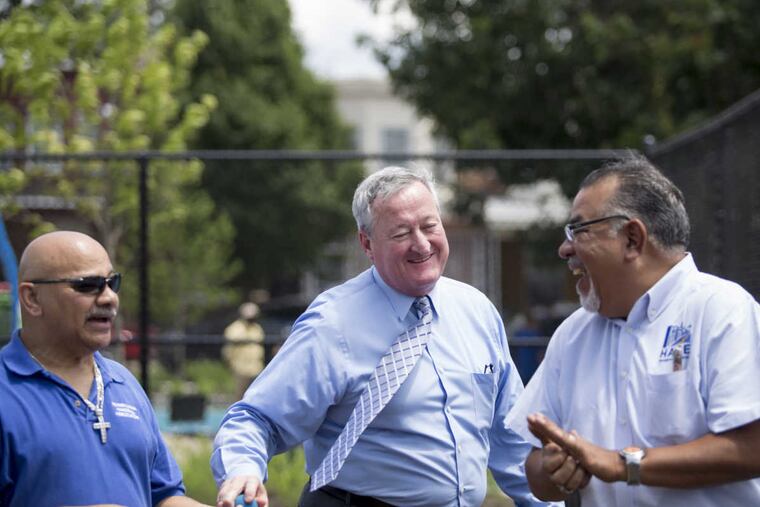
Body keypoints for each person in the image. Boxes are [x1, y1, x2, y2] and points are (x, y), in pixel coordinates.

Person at [212, 166, 554, 507]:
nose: (421, 244)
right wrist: (243, 469)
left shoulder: (476, 311)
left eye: (429, 226)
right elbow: (256, 418)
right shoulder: (332, 325)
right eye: (401, 233)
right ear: (367, 243)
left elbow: (511, 437)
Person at [505, 157, 760, 506]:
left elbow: (751, 448)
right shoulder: (573, 334)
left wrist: (623, 464)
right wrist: (552, 470)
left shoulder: (722, 311)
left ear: (632, 239)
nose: (565, 249)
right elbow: (535, 467)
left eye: (579, 231)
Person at [0, 231, 210, 507]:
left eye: (113, 283)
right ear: (32, 298)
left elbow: (163, 496)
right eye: (88, 285)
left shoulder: (122, 381)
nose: (110, 298)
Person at [222, 301, 266, 399]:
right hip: (240, 369)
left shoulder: (257, 328)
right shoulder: (234, 328)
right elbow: (228, 350)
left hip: (256, 369)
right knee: (239, 397)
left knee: (256, 398)